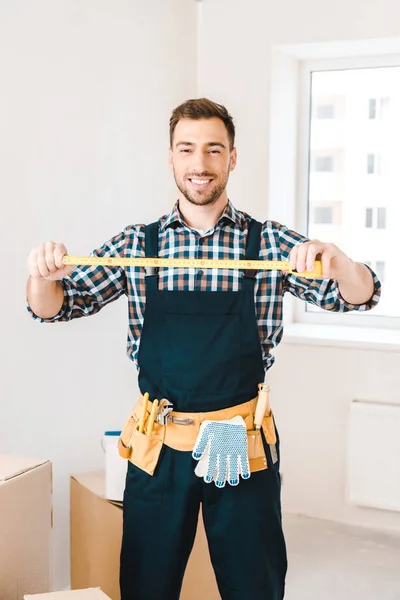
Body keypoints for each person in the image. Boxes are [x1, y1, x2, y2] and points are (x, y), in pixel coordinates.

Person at [26, 98, 381, 600]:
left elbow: (359, 295)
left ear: (232, 158)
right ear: (170, 157)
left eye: (214, 149)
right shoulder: (138, 244)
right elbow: (55, 305)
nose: (200, 163)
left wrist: (340, 261)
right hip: (159, 446)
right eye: (187, 149)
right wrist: (42, 276)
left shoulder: (270, 244)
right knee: (147, 585)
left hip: (242, 442)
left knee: (254, 586)